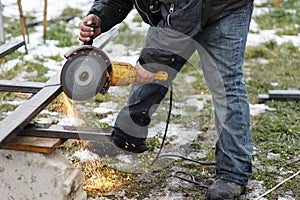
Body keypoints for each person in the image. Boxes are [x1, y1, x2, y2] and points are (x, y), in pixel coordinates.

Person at [79, 0, 253, 199]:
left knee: (225, 85)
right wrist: (101, 15)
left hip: (223, 8)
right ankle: (127, 137)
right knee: (150, 69)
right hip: (174, 9)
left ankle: (233, 172)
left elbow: (188, 10)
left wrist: (154, 60)